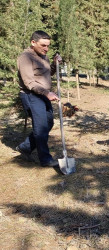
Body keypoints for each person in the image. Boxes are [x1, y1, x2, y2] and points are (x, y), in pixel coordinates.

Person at [16, 30, 61, 167]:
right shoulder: (25, 57)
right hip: (31, 95)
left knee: (48, 123)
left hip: (43, 95)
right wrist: (47, 93)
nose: (46, 49)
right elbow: (29, 82)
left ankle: (25, 147)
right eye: (43, 45)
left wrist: (54, 64)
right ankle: (45, 159)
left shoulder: (44, 56)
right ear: (33, 42)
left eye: (48, 46)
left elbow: (47, 73)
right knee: (41, 127)